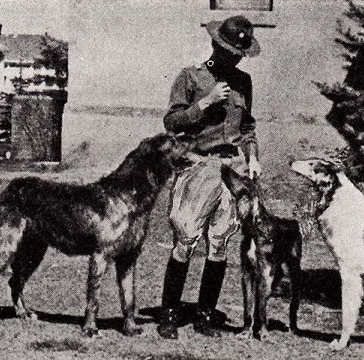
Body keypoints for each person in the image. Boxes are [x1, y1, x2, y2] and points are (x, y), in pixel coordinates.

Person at [158, 15, 262, 339]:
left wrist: (254, 157)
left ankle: (204, 317)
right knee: (185, 242)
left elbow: (246, 128)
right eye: (230, 51)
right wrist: (204, 103)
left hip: (231, 170)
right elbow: (171, 122)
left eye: (239, 54)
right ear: (215, 45)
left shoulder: (243, 83)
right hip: (197, 168)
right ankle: (169, 315)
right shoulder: (190, 77)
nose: (234, 58)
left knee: (219, 244)